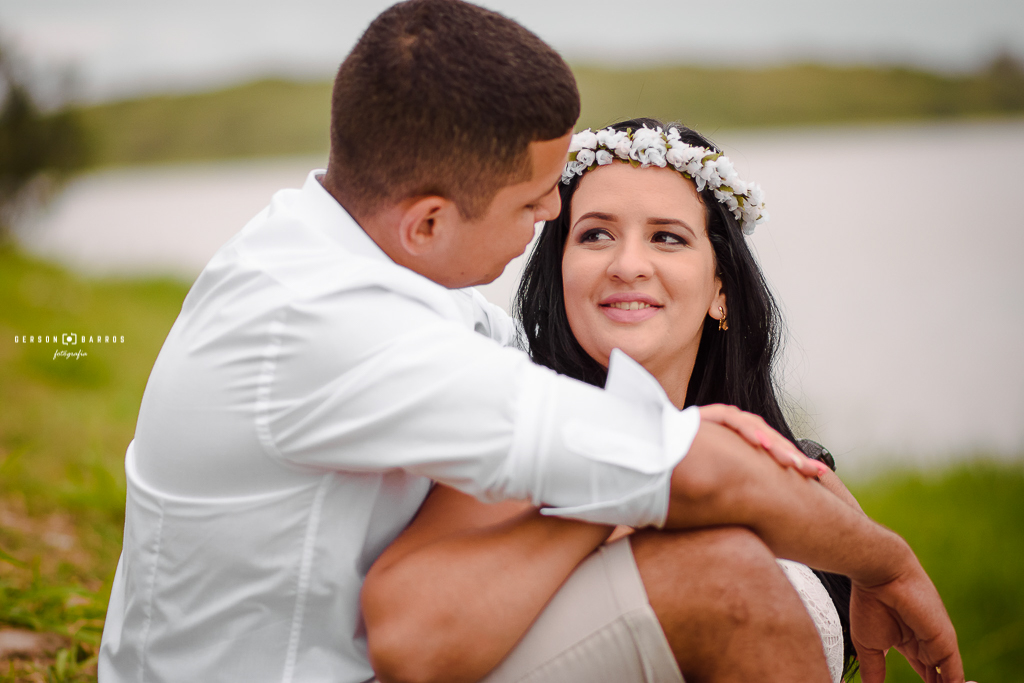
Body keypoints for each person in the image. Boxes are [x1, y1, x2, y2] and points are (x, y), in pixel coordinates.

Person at [98, 2, 966, 683]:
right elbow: (684, 467)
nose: (556, 217)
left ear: (724, 288)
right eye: (538, 204)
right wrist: (889, 565)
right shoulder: (345, 327)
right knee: (727, 579)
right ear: (428, 220)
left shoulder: (341, 259)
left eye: (668, 237)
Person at [362, 119, 866, 683]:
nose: (627, 265)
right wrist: (625, 490)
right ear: (560, 273)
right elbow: (410, 645)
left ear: (720, 290)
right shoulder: (518, 439)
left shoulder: (796, 466)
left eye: (667, 237)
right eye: (595, 235)